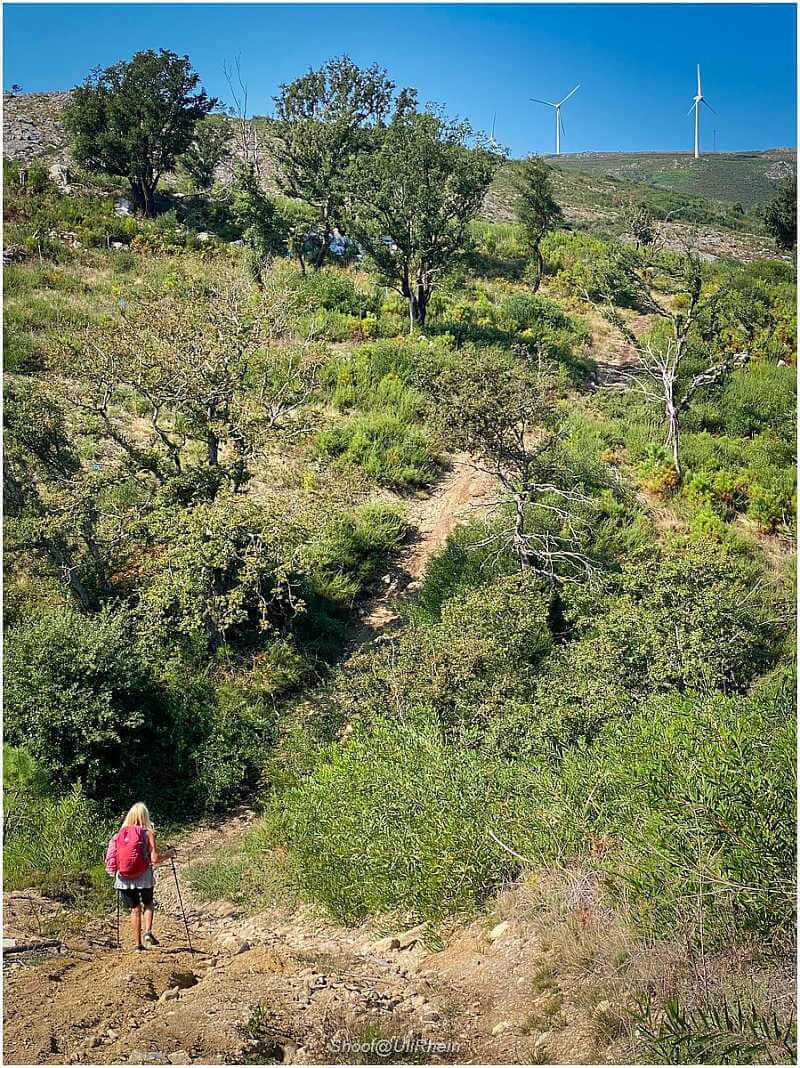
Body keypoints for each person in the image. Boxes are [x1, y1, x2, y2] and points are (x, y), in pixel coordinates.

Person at [112, 803, 176, 951]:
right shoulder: (147, 833)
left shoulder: (119, 834)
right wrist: (170, 853)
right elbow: (154, 859)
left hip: (124, 877)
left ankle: (137, 944)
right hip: (144, 876)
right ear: (145, 816)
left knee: (134, 909)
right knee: (148, 904)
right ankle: (147, 932)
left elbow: (113, 856)